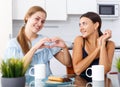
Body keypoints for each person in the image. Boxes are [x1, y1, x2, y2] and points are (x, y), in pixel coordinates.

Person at [4, 6, 72, 83]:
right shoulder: (13, 44)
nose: (39, 24)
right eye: (37, 19)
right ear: (27, 17)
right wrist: (34, 48)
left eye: (42, 21)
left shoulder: (45, 40)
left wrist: (65, 48)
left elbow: (68, 64)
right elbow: (17, 71)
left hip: (46, 84)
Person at [72, 12, 115, 82]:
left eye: (84, 24)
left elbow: (104, 71)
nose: (81, 28)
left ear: (96, 25)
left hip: (101, 83)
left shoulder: (110, 44)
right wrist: (98, 49)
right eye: (79, 25)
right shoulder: (79, 40)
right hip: (81, 83)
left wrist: (102, 45)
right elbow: (77, 70)